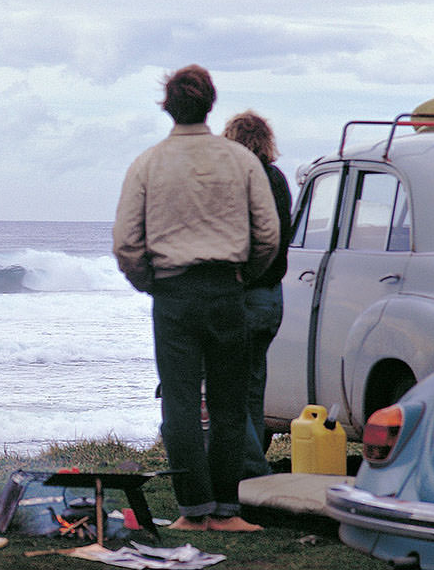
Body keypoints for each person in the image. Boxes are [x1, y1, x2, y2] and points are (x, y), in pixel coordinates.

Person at [113, 65, 279, 532]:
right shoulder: (241, 161)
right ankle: (227, 510)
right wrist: (245, 275)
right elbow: (268, 233)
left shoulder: (148, 162)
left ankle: (193, 511)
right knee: (230, 403)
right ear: (211, 103)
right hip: (228, 288)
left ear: (168, 105)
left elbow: (127, 241)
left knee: (181, 404)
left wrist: (151, 282)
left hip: (174, 293)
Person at [223, 111, 293, 479]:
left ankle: (249, 469)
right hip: (273, 296)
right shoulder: (278, 179)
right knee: (252, 385)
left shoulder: (236, 180)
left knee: (230, 388)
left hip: (244, 294)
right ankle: (247, 465)